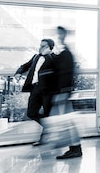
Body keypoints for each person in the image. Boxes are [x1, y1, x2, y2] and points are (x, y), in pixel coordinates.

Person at [14, 39, 57, 145]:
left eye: (43, 46)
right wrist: (18, 73)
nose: (40, 48)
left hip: (48, 90)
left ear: (50, 47)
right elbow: (25, 66)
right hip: (35, 89)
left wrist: (49, 55)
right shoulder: (35, 57)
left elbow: (58, 73)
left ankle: (44, 138)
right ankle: (51, 126)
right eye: (40, 45)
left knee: (47, 114)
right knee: (31, 113)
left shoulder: (54, 58)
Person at [53, 26, 83, 159]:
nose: (58, 36)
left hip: (63, 91)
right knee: (68, 120)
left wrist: (62, 92)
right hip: (64, 91)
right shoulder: (65, 52)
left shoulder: (66, 53)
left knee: (68, 121)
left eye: (59, 34)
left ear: (63, 35)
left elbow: (66, 74)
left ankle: (75, 149)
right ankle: (75, 148)